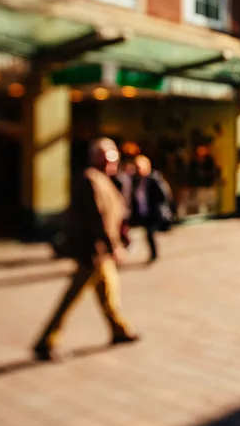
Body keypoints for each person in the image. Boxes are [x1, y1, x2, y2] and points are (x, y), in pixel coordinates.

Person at [33, 138, 140, 361]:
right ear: (97, 158)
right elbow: (97, 218)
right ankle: (46, 341)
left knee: (108, 292)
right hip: (92, 251)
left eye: (116, 158)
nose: (114, 162)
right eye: (110, 158)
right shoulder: (91, 180)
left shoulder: (104, 179)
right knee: (72, 297)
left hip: (100, 251)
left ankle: (120, 330)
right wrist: (114, 246)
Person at [131, 155, 173, 263]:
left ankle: (154, 255)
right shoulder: (137, 180)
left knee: (149, 233)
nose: (138, 170)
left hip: (153, 211)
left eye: (140, 167)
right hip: (144, 211)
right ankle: (153, 253)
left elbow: (164, 194)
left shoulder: (154, 178)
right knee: (148, 234)